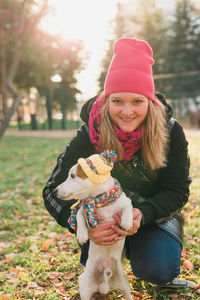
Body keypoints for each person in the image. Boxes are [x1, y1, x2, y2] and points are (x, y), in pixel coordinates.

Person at [43, 38, 194, 296]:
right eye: (117, 101)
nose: (127, 111)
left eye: (137, 101)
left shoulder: (171, 132)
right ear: (106, 100)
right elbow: (51, 191)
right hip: (100, 221)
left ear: (150, 102)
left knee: (158, 267)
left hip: (150, 217)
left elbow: (177, 191)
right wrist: (81, 224)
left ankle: (148, 254)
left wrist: (141, 215)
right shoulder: (88, 135)